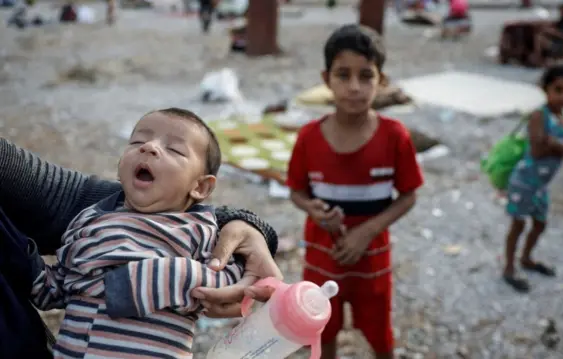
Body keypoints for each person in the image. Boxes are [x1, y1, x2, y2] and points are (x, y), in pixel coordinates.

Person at [0, 132, 281, 357]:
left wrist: (145, 282)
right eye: (136, 141)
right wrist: (24, 259)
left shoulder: (199, 230)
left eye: (175, 149)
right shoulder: (88, 223)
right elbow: (55, 290)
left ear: (201, 188)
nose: (148, 147)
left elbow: (226, 280)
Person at [286, 25, 424, 359]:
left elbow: (408, 195)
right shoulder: (308, 137)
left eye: (366, 76)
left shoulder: (395, 136)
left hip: (372, 259)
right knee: (322, 328)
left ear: (382, 81)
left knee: (379, 333)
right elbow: (296, 191)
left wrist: (368, 230)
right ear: (326, 78)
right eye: (343, 75)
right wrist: (314, 209)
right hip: (323, 256)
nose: (354, 87)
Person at [502, 63, 563, 293]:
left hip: (541, 185)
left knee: (539, 224)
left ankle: (526, 258)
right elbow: (537, 150)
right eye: (558, 89)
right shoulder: (539, 115)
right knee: (518, 224)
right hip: (524, 181)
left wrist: (555, 144)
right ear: (546, 88)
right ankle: (509, 267)